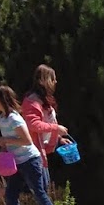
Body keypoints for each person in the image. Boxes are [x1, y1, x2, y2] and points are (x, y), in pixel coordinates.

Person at [0, 83, 64, 205]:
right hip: (17, 162)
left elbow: (27, 140)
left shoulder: (14, 118)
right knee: (11, 193)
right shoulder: (2, 118)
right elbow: (12, 140)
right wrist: (4, 147)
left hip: (30, 160)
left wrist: (5, 140)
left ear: (3, 99)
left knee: (38, 192)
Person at [20, 64, 70, 193]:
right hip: (33, 153)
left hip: (40, 153)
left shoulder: (45, 100)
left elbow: (46, 123)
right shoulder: (31, 101)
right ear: (42, 80)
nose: (55, 82)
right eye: (52, 78)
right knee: (40, 191)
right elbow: (34, 124)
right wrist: (56, 128)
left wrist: (59, 139)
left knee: (42, 189)